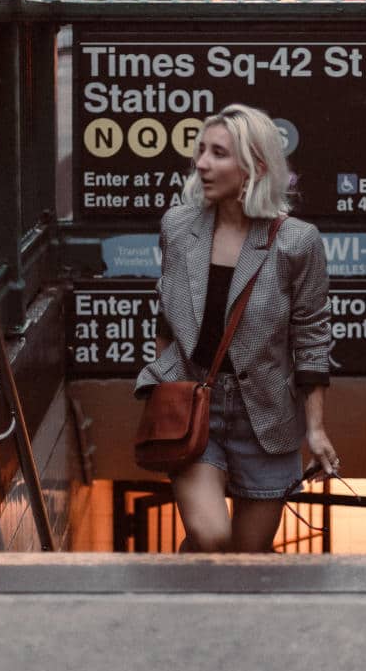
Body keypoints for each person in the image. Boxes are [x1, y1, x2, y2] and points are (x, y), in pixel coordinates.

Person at [135, 103, 338, 553]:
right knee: (211, 538)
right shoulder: (178, 225)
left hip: (266, 417)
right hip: (193, 405)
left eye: (219, 153)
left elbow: (311, 337)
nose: (202, 163)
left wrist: (317, 429)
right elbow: (166, 312)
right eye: (201, 151)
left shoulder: (296, 241)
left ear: (255, 167)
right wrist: (160, 380)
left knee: (248, 561)